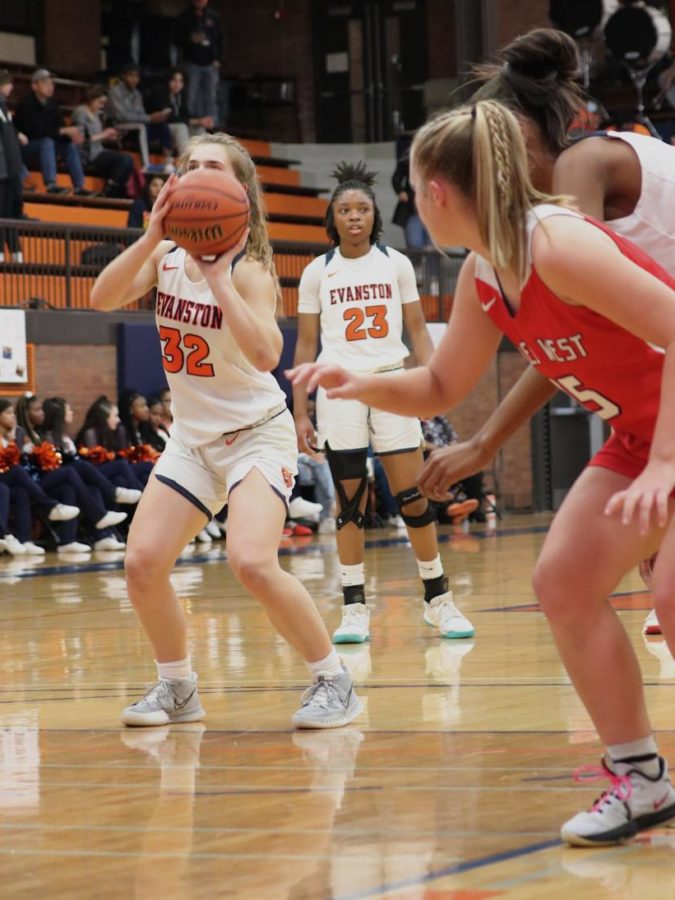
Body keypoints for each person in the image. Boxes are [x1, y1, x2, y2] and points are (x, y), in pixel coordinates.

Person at [288, 98, 675, 847]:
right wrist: (357, 379)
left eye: (409, 187)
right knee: (562, 582)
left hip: (664, 432)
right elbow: (438, 387)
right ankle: (643, 780)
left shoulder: (556, 244)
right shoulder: (483, 272)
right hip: (639, 433)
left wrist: (664, 459)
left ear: (434, 191)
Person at [89, 132, 362, 730]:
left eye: (212, 167)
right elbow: (101, 294)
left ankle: (334, 681)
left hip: (255, 435)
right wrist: (152, 234)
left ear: (238, 190)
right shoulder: (162, 259)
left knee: (252, 562)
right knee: (141, 563)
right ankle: (178, 688)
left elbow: (267, 354)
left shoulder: (251, 268)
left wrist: (216, 281)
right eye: (189, 166)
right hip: (192, 439)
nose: (197, 174)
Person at [419, 28, 675, 636]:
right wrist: (484, 442)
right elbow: (566, 339)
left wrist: (484, 441)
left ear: (517, 136)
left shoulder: (578, 177)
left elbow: (559, 331)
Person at [292, 161, 473, 645]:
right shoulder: (316, 272)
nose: (354, 216)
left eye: (363, 209)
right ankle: (353, 607)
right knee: (350, 502)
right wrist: (301, 411)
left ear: (375, 216)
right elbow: (305, 347)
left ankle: (438, 599)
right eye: (345, 210)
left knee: (412, 495)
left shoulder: (396, 263)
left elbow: (417, 330)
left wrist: (434, 383)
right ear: (333, 218)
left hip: (393, 384)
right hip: (339, 390)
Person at [14, 68, 93, 196]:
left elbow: (59, 129)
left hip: (45, 144)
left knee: (69, 146)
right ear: (34, 85)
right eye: (45, 83)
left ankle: (79, 187)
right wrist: (64, 130)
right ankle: (51, 185)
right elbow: (37, 132)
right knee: (47, 142)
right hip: (25, 147)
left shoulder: (53, 104)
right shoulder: (26, 103)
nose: (50, 87)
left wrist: (70, 135)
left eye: (52, 83)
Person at [72, 84, 134, 198]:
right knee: (124, 160)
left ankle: (117, 190)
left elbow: (97, 136)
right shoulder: (81, 112)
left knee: (129, 160)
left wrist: (108, 136)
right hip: (87, 153)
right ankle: (109, 192)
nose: (101, 106)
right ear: (92, 98)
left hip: (98, 150)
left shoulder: (96, 114)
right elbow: (80, 139)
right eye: (100, 102)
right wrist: (103, 134)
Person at [107, 63, 172, 172]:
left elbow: (141, 114)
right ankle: (146, 165)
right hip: (118, 128)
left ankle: (169, 163)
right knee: (141, 127)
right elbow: (121, 116)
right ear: (123, 76)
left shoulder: (137, 93)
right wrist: (149, 118)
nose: (134, 79)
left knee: (161, 126)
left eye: (136, 76)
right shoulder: (115, 92)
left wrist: (155, 117)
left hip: (135, 127)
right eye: (131, 75)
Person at [175, 0, 223, 124]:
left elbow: (220, 38)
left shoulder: (213, 16)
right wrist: (190, 39)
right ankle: (192, 123)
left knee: (211, 95)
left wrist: (218, 59)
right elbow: (176, 39)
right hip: (191, 62)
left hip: (210, 62)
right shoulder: (184, 16)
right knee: (190, 95)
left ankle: (212, 125)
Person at [146, 68, 213, 157]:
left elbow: (186, 114)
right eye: (174, 80)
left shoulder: (181, 94)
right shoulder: (160, 92)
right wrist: (195, 121)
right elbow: (168, 118)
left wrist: (201, 120)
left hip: (175, 126)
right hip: (159, 127)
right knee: (182, 127)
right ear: (168, 80)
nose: (177, 84)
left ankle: (202, 160)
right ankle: (185, 163)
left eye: (180, 81)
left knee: (199, 129)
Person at [0, 69, 26, 263]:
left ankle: (15, 250)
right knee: (2, 210)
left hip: (11, 169)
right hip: (3, 169)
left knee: (11, 210)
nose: (11, 87)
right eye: (9, 83)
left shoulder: (4, 108)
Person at [391, 132, 429, 249]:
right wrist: (400, 191)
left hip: (431, 205)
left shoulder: (435, 159)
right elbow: (396, 178)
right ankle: (415, 266)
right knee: (415, 243)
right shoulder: (408, 159)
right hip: (413, 207)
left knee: (432, 245)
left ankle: (433, 267)